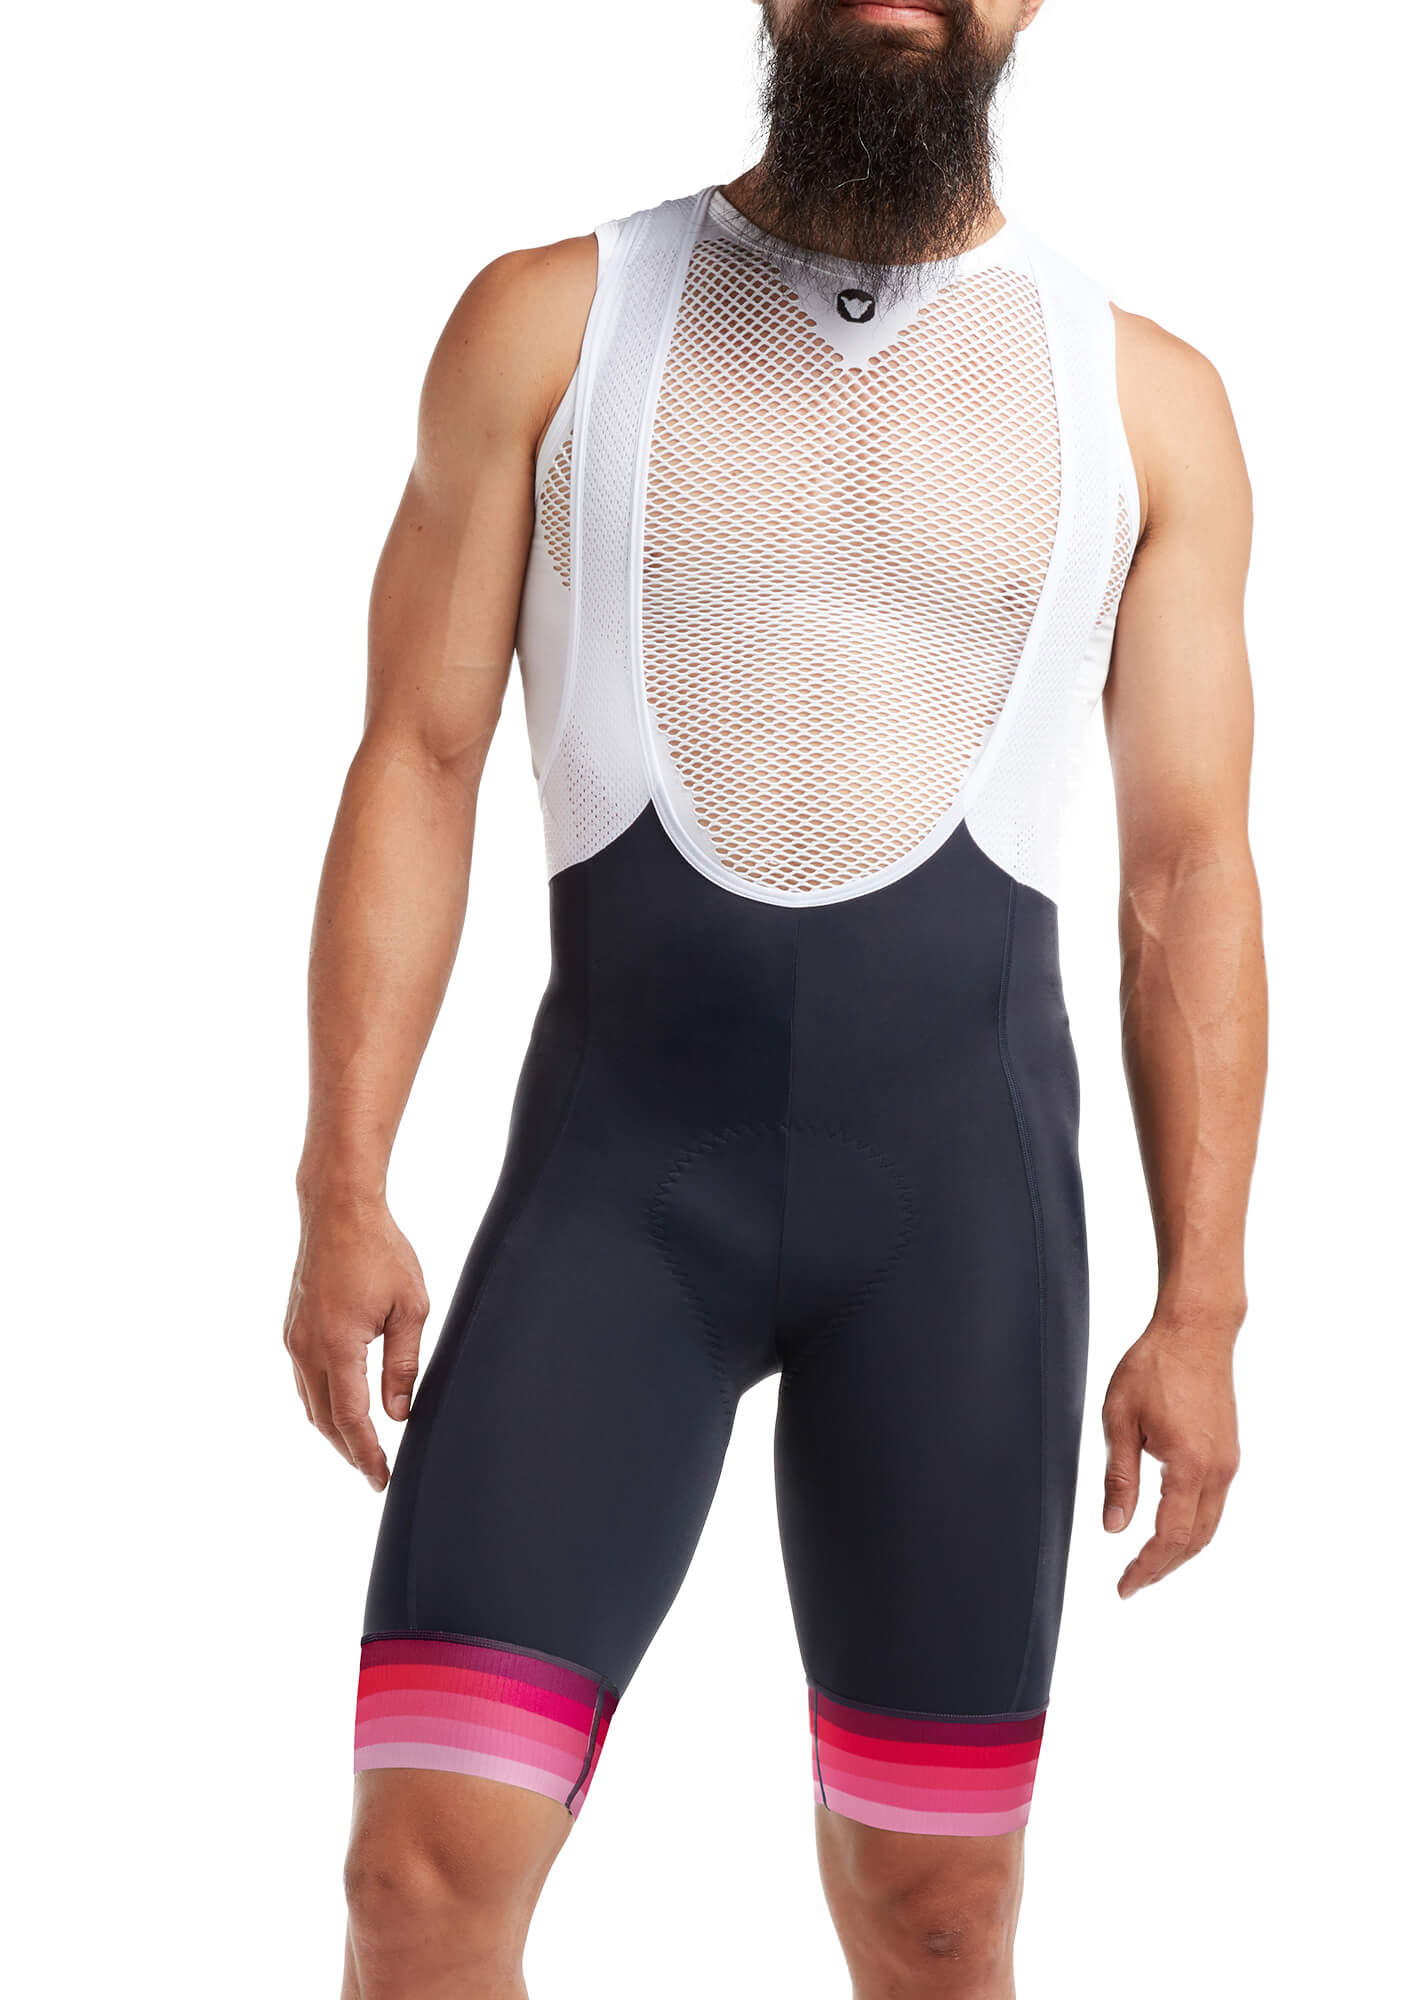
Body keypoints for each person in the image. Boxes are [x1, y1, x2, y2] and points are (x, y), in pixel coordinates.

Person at [284, 1, 1267, 1992]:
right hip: (619, 1199)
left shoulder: (1145, 400)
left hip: (960, 1226)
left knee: (936, 1914)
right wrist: (343, 1179)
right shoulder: (552, 323)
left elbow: (1185, 871)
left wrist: (1206, 1304)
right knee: (420, 1880)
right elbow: (419, 755)